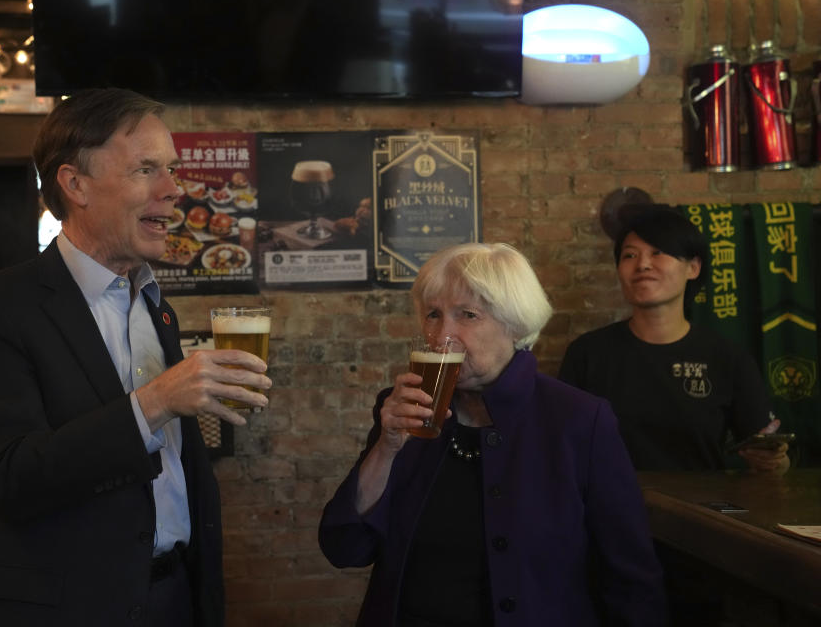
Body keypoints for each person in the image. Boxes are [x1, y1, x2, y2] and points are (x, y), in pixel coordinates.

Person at [0, 88, 271, 627]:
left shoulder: (153, 304)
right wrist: (157, 401)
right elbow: (10, 478)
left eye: (172, 169)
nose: (173, 190)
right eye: (146, 170)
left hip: (175, 596)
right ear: (75, 184)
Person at [319, 242, 667, 627]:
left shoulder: (579, 420)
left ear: (515, 324)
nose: (441, 335)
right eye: (433, 314)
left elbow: (631, 578)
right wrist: (386, 449)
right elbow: (344, 547)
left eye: (467, 315)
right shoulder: (404, 411)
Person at [558, 202, 789, 473]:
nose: (643, 264)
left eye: (658, 252)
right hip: (609, 510)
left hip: (702, 511)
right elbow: (559, 445)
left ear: (693, 268)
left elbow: (770, 456)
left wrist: (775, 462)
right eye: (629, 256)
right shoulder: (587, 354)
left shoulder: (728, 358)